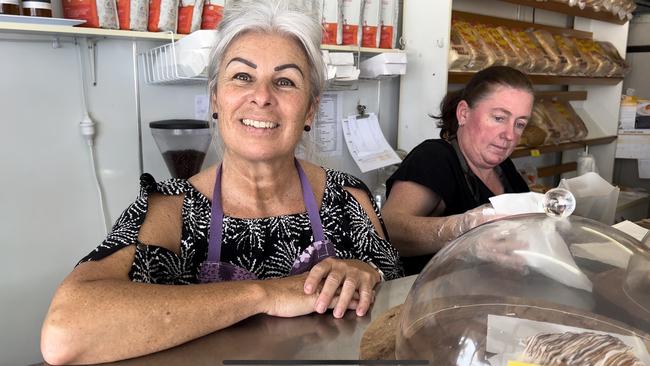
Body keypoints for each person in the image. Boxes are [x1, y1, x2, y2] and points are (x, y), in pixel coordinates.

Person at [40, 1, 402, 364]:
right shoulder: (169, 211)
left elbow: (399, 318)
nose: (261, 96)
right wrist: (267, 294)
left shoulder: (349, 199)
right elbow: (64, 333)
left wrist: (368, 273)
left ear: (310, 110)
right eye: (242, 77)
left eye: (285, 81)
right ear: (216, 98)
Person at [382, 66, 533, 276]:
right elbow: (389, 229)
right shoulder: (435, 158)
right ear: (463, 113)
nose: (509, 135)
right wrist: (462, 228)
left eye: (520, 124)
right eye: (499, 118)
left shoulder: (504, 169)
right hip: (434, 300)